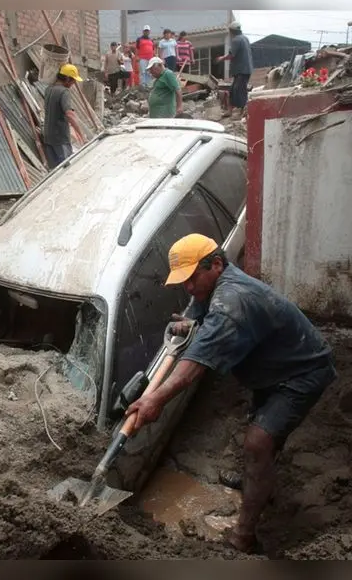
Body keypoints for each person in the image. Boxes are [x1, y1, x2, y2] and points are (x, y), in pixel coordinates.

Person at [126, 234, 336, 554]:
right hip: (270, 368)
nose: (189, 288)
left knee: (258, 442)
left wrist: (155, 398)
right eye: (184, 282)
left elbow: (195, 366)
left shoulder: (233, 301)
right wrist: (191, 322)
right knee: (263, 437)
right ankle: (258, 480)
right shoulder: (211, 286)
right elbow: (200, 309)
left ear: (217, 264)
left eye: (192, 278)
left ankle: (244, 536)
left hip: (301, 373)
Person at [42, 63, 86, 170]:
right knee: (66, 171)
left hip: (48, 137)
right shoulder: (64, 92)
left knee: (54, 172)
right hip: (60, 139)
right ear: (67, 79)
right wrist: (82, 136)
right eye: (73, 81)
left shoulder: (48, 89)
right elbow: (69, 114)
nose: (73, 84)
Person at [217, 21, 253, 119]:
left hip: (242, 70)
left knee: (239, 91)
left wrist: (221, 58)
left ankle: (243, 112)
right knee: (232, 91)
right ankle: (230, 111)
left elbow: (231, 55)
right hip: (245, 70)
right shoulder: (245, 38)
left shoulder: (236, 40)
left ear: (232, 31)